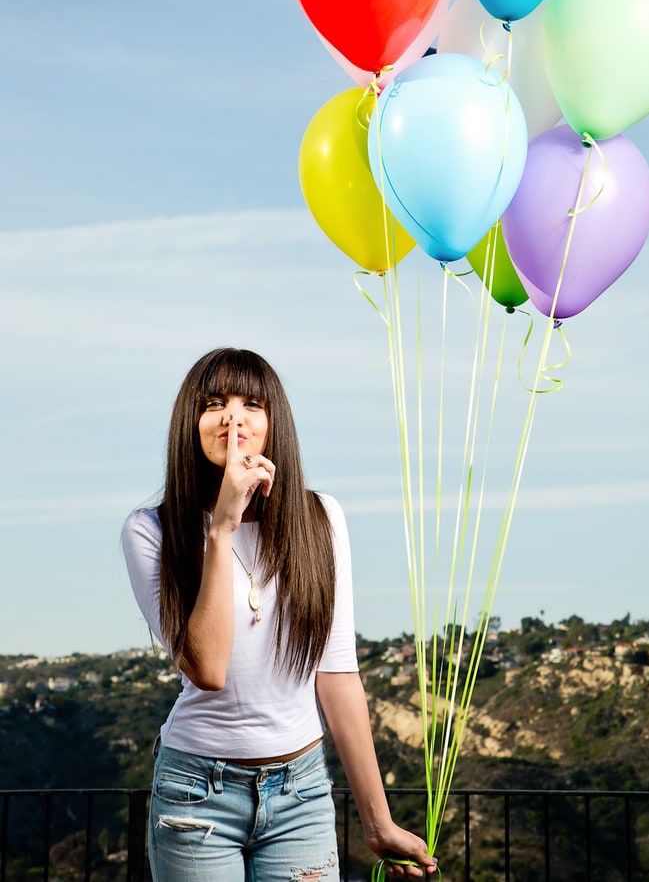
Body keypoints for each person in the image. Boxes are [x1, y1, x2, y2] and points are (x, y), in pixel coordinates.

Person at [121, 346, 436, 882]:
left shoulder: (320, 519)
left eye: (252, 404)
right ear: (191, 423)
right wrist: (221, 527)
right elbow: (208, 669)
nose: (233, 417)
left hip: (301, 794)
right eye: (214, 402)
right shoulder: (151, 530)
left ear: (274, 425)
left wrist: (377, 822)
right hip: (196, 794)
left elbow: (336, 675)